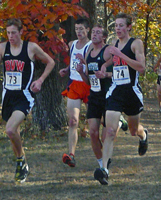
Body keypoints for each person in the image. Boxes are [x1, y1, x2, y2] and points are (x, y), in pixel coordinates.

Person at [0, 18, 55, 183]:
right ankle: (22, 163)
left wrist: (40, 81)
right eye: (8, 33)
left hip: (24, 95)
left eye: (13, 33)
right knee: (14, 132)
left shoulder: (31, 48)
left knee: (10, 130)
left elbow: (51, 62)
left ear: (20, 32)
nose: (10, 36)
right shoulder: (2, 47)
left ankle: (20, 161)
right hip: (8, 96)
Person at [93, 13, 148, 185]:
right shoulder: (114, 44)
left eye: (121, 25)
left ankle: (143, 136)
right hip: (115, 91)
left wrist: (120, 55)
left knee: (133, 130)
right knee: (110, 131)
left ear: (129, 27)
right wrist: (103, 68)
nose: (118, 29)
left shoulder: (136, 43)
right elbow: (113, 62)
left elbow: (142, 68)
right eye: (116, 26)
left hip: (131, 92)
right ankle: (105, 171)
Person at [75, 24, 128, 169]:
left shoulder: (109, 51)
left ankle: (118, 122)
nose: (94, 35)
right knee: (92, 132)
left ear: (104, 37)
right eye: (93, 32)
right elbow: (89, 80)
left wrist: (106, 74)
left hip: (109, 95)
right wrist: (81, 72)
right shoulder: (88, 52)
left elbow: (121, 70)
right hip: (94, 96)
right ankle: (102, 163)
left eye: (98, 33)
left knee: (105, 137)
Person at [59, 18, 92, 168]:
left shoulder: (92, 46)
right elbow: (72, 61)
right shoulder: (72, 45)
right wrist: (66, 70)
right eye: (77, 29)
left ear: (88, 30)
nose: (79, 32)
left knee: (96, 123)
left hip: (89, 85)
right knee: (73, 121)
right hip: (74, 84)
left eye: (81, 29)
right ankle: (71, 155)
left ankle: (117, 121)